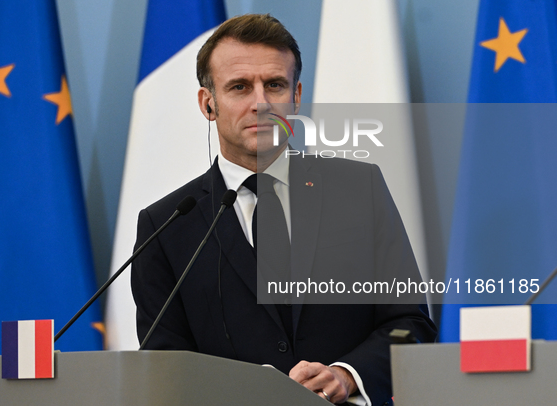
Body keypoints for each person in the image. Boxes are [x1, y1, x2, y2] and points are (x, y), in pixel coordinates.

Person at [131, 14, 437, 405]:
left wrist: (348, 375)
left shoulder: (360, 191)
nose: (260, 103)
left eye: (274, 85)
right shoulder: (167, 224)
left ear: (296, 95)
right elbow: (163, 365)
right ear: (209, 104)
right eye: (239, 87)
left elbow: (410, 323)